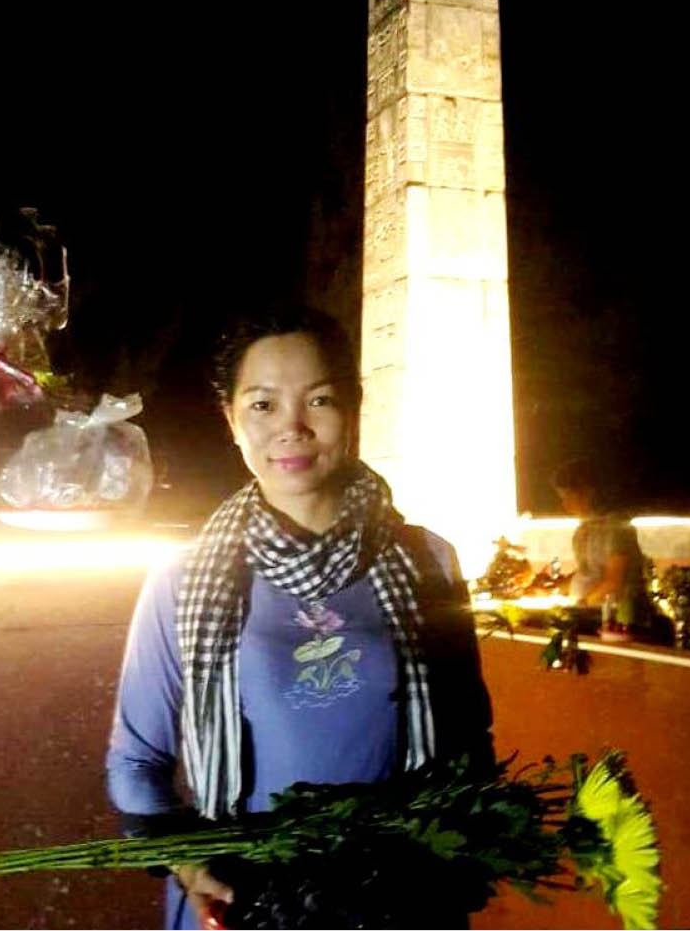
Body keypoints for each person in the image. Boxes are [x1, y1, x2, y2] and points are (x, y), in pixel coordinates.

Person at [105, 305, 493, 930]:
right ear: (230, 419)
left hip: (397, 901)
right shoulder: (183, 580)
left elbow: (468, 736)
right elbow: (135, 761)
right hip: (246, 905)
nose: (292, 428)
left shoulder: (428, 561)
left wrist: (468, 849)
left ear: (354, 408)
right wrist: (187, 861)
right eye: (263, 405)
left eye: (319, 400)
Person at [552, 458, 653, 630]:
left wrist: (582, 605)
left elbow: (614, 581)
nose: (564, 504)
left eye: (568, 496)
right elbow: (586, 572)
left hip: (620, 622)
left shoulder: (617, 527)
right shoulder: (582, 531)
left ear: (587, 493)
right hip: (590, 617)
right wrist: (553, 589)